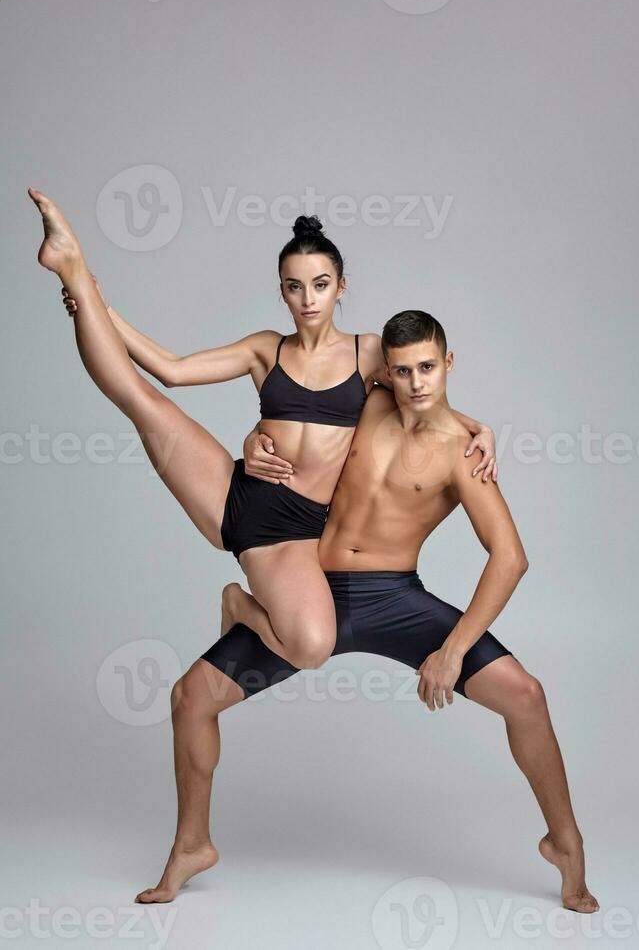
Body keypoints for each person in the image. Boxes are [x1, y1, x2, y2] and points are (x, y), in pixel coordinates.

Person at [137, 310, 598, 914]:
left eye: (428, 368)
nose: (415, 383)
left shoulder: (463, 454)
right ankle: (192, 844)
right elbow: (295, 406)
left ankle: (565, 845)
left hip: (394, 601)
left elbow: (510, 558)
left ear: (449, 364)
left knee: (527, 696)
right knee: (189, 699)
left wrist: (452, 651)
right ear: (386, 370)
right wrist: (253, 440)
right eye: (402, 370)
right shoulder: (368, 401)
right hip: (309, 588)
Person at [30, 187, 496, 671]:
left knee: (312, 648)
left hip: (290, 532)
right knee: (139, 398)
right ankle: (72, 267)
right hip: (231, 490)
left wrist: (475, 426)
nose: (308, 299)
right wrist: (98, 306)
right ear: (282, 291)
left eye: (319, 284)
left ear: (341, 286)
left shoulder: (368, 352)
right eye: (294, 287)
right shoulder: (265, 348)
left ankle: (238, 605)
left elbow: (417, 398)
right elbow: (172, 368)